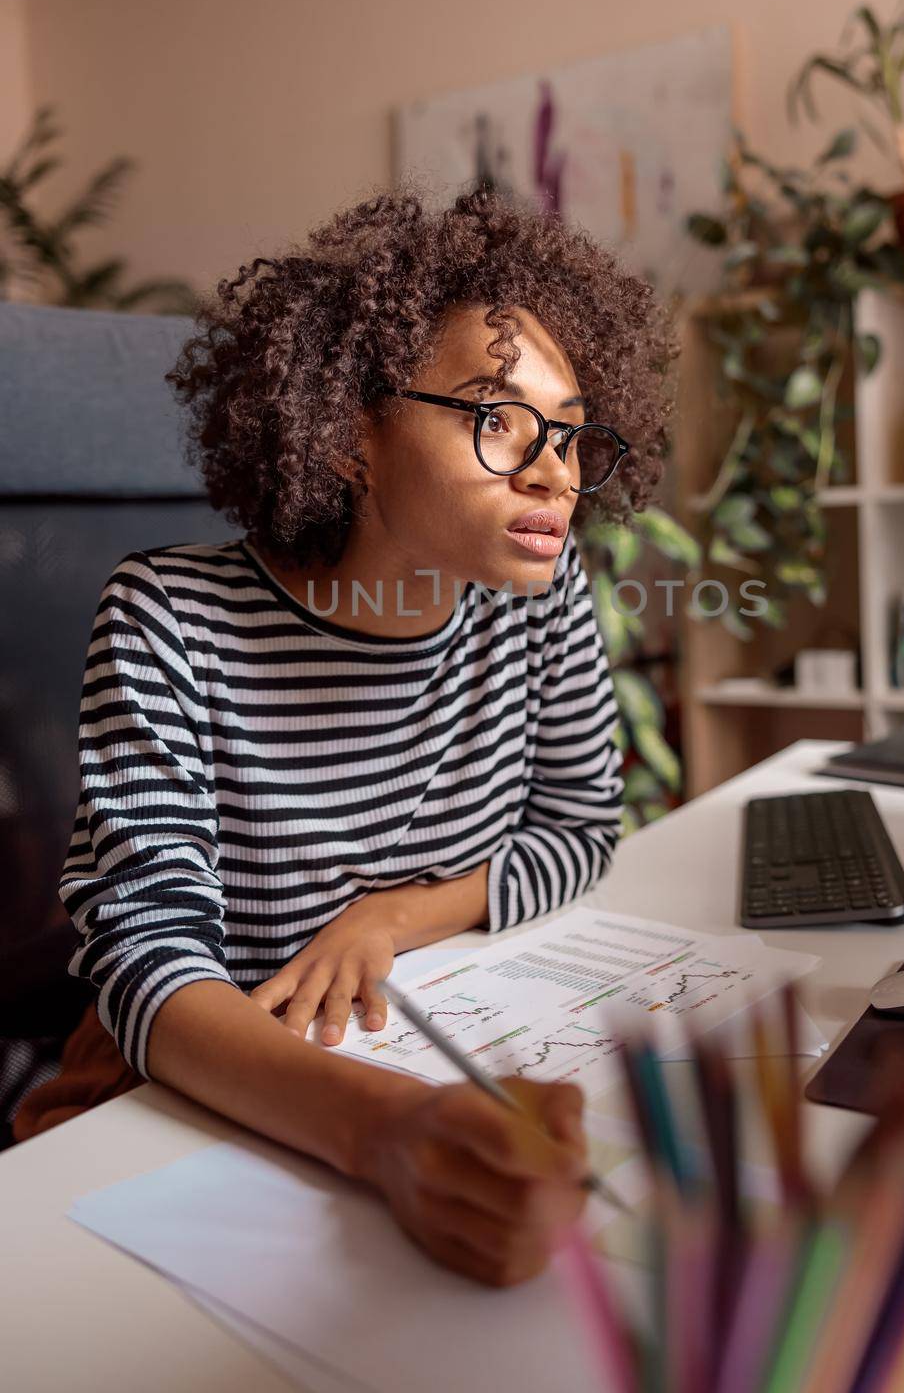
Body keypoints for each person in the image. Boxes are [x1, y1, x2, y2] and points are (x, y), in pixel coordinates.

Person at [10, 184, 672, 1286]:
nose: (553, 472)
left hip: (414, 1029)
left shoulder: (544, 600)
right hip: (190, 1083)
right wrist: (385, 1132)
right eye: (497, 418)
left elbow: (579, 826)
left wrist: (394, 915)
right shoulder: (170, 619)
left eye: (565, 432)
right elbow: (143, 951)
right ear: (354, 432)